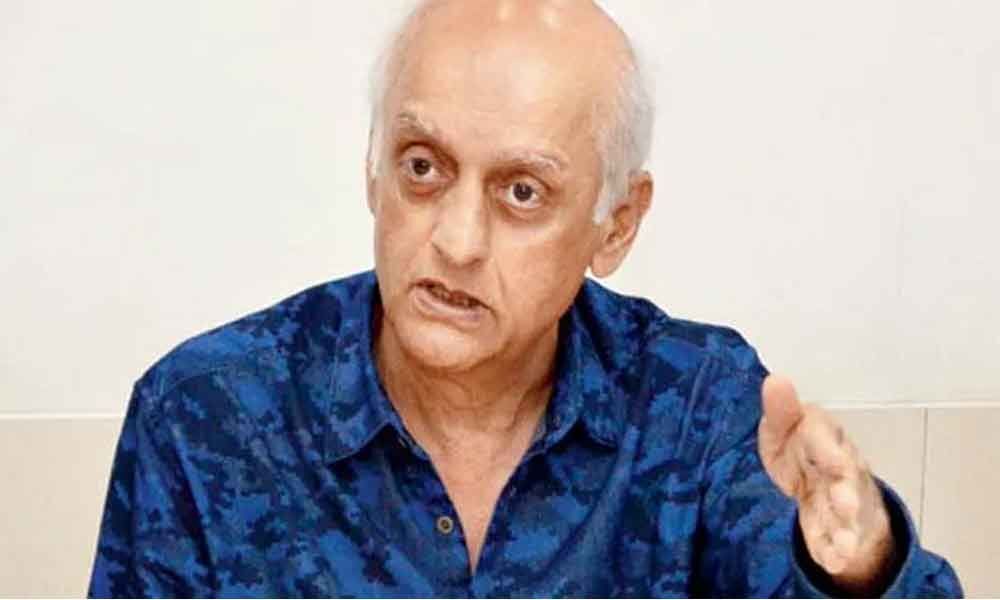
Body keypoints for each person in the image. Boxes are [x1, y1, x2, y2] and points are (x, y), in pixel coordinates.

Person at [88, 0, 962, 597]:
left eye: (521, 193)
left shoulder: (698, 405)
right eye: (423, 168)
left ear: (616, 225)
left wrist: (862, 571)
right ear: (372, 171)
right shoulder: (207, 414)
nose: (457, 240)